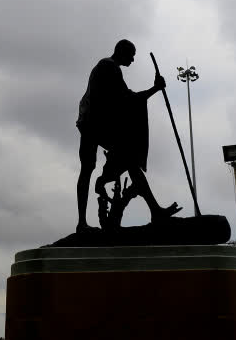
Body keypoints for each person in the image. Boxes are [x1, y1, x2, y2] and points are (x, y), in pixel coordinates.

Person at [75, 39, 182, 232]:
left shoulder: (105, 66)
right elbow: (127, 99)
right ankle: (82, 222)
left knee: (112, 164)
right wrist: (155, 89)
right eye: (131, 56)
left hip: (92, 124)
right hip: (94, 125)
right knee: (93, 168)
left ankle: (154, 209)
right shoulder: (110, 68)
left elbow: (123, 99)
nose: (133, 60)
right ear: (122, 52)